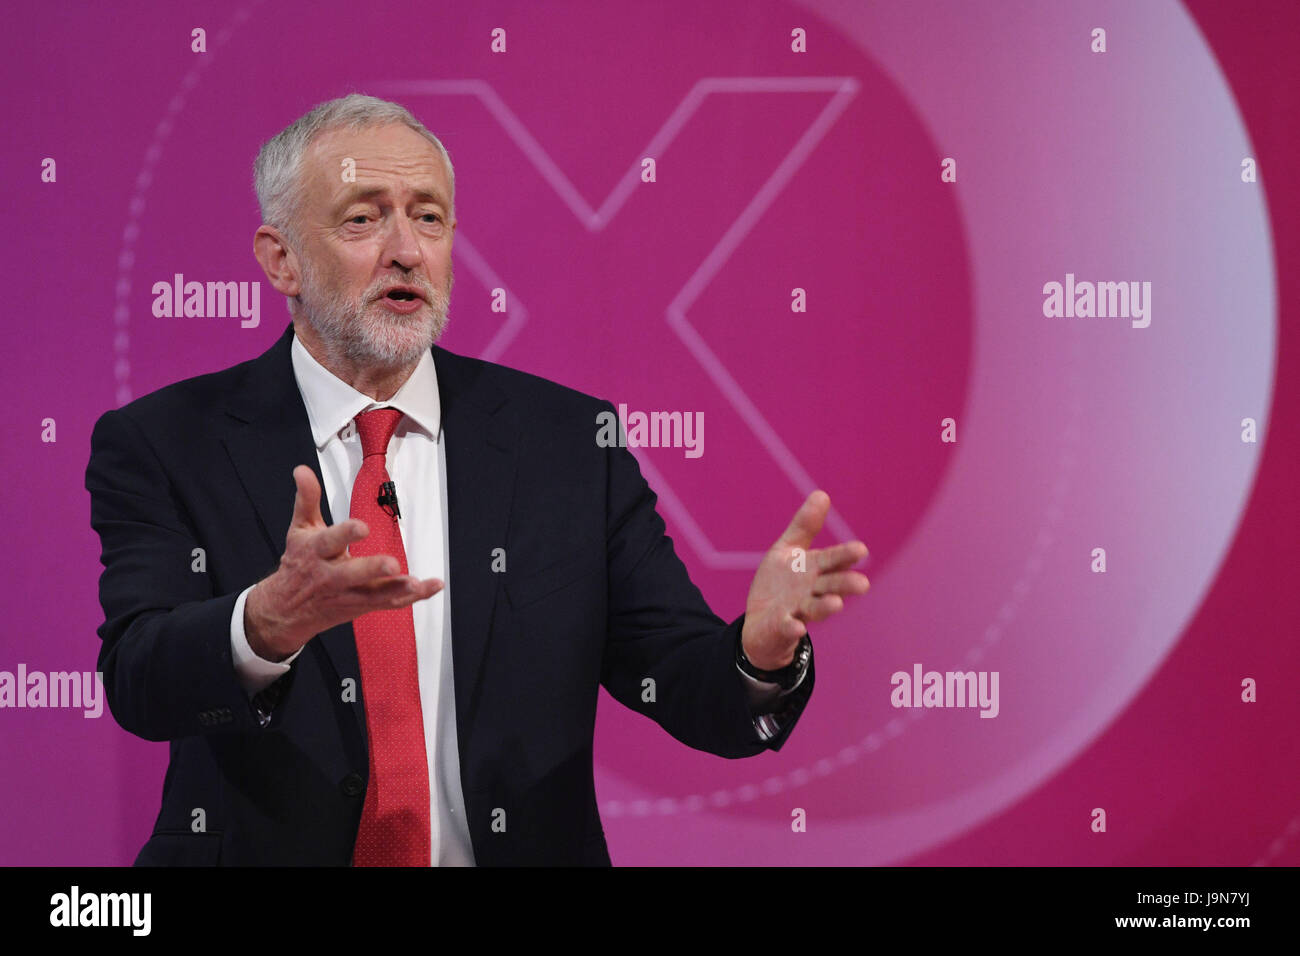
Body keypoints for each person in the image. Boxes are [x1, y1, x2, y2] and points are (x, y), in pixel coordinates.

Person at [85, 93, 871, 866]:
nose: (406, 249)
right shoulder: (166, 441)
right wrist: (267, 622)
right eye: (364, 218)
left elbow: (681, 681)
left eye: (428, 217)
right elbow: (140, 679)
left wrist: (758, 655)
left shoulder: (567, 444)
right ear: (280, 258)